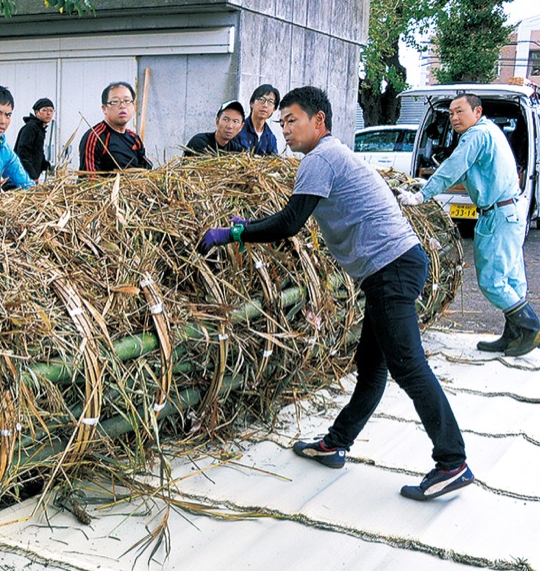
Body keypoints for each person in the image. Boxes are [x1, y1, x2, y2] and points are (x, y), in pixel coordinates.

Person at [197, 86, 472, 502]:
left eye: (292, 120)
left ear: (318, 121)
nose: (285, 129)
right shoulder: (331, 156)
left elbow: (291, 222)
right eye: (282, 122)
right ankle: (336, 442)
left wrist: (234, 233)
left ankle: (452, 462)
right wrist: (250, 223)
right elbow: (292, 217)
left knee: (408, 366)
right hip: (393, 267)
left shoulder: (321, 157)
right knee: (372, 364)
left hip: (391, 268)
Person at [396, 93, 539, 357]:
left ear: (477, 111)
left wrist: (421, 196)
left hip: (498, 215)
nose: (454, 118)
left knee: (492, 281)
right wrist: (427, 184)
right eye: (450, 113)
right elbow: (463, 171)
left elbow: (454, 166)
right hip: (510, 211)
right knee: (511, 278)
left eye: (460, 111)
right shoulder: (489, 132)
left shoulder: (475, 136)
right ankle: (513, 334)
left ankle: (531, 327)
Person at [78, 82, 152, 173]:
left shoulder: (134, 138)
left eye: (127, 101)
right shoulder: (95, 137)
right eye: (115, 102)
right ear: (104, 108)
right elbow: (89, 179)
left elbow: (146, 169)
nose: (122, 106)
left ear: (134, 106)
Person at [14, 98, 55, 181]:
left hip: (30, 175)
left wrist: (45, 164)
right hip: (24, 177)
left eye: (51, 110)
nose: (48, 113)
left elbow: (37, 151)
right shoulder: (31, 128)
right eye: (44, 110)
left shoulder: (39, 129)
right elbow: (23, 153)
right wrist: (32, 176)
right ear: (37, 113)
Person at [234, 84, 281, 156]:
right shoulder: (238, 130)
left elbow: (274, 162)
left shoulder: (271, 138)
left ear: (274, 109)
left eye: (270, 102)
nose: (265, 105)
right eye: (261, 100)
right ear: (252, 103)